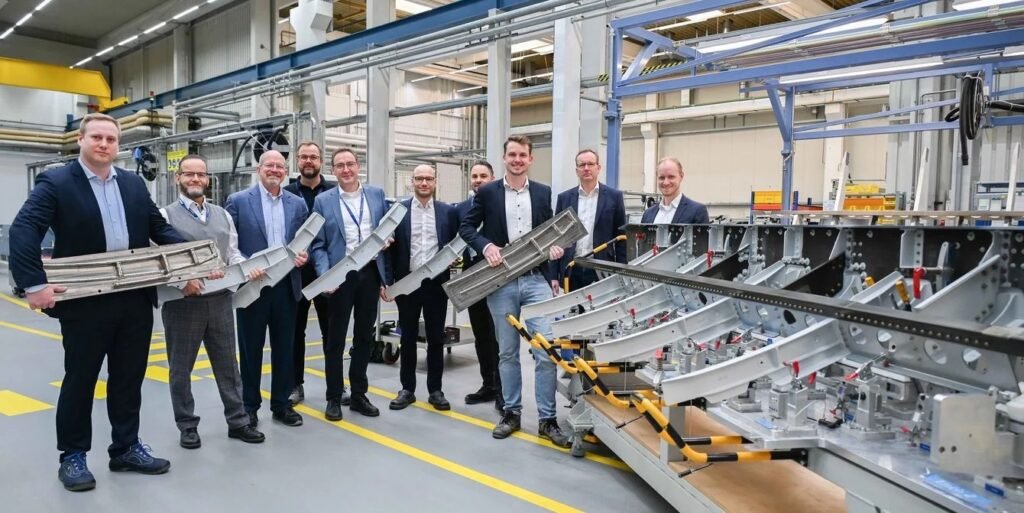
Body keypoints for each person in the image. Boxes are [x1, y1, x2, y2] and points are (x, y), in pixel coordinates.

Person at [9, 113, 185, 491]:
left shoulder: (133, 183)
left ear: (118, 145)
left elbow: (159, 229)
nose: (104, 144)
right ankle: (73, 455)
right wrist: (34, 284)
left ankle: (125, 448)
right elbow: (24, 228)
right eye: (97, 138)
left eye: (111, 139)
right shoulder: (57, 182)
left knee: (128, 378)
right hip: (86, 300)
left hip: (134, 298)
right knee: (81, 379)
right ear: (81, 140)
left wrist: (196, 258)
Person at [458, 135, 572, 448]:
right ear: (504, 158)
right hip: (502, 282)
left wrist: (555, 250)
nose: (517, 160)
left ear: (530, 159)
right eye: (512, 155)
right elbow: (466, 228)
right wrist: (486, 246)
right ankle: (511, 413)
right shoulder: (488, 192)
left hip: (536, 280)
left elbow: (550, 233)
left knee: (545, 351)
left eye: (523, 155)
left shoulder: (543, 192)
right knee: (506, 352)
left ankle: (547, 420)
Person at [159, 154, 266, 449]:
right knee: (181, 368)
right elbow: (161, 260)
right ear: (178, 178)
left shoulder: (222, 214)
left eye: (201, 174)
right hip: (183, 302)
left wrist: (247, 268)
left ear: (208, 179)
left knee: (228, 365)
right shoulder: (165, 216)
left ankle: (238, 421)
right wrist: (182, 282)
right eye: (189, 174)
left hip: (220, 299)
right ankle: (187, 426)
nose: (195, 179)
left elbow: (232, 253)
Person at [224, 150, 309, 428]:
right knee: (251, 350)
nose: (274, 170)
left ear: (285, 171)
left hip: (286, 286)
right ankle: (249, 406)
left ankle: (281, 404)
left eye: (280, 166)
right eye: (269, 165)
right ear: (258, 169)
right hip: (253, 286)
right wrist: (246, 266)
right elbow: (228, 245)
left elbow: (303, 241)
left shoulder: (297, 204)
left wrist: (303, 256)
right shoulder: (238, 201)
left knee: (285, 348)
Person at [309, 148, 391, 421]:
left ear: (358, 166)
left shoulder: (376, 195)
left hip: (370, 274)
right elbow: (318, 244)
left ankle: (358, 394)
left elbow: (386, 232)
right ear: (333, 170)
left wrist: (386, 268)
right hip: (340, 276)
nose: (346, 170)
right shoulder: (323, 201)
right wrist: (326, 276)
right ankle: (334, 396)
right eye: (340, 165)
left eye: (350, 164)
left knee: (364, 338)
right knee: (335, 340)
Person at [384, 165, 459, 412]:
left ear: (435, 182)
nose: (424, 183)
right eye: (419, 179)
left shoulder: (448, 212)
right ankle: (407, 389)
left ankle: (435, 390)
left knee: (436, 337)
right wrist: (388, 281)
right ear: (412, 182)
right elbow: (388, 249)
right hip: (407, 283)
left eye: (428, 178)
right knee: (407, 337)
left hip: (436, 284)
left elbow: (456, 243)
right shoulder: (399, 211)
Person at [283, 141, 335, 406]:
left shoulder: (335, 192)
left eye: (313, 157)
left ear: (321, 161)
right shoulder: (286, 194)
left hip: (327, 271)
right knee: (295, 331)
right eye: (303, 157)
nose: (308, 161)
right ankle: (295, 384)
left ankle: (336, 385)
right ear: (297, 161)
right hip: (297, 272)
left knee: (332, 331)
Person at [456, 161, 502, 410]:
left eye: (483, 175)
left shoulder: (501, 203)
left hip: (498, 275)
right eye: (474, 176)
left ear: (492, 178)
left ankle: (504, 389)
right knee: (481, 334)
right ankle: (488, 384)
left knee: (501, 336)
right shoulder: (461, 209)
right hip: (472, 276)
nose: (478, 180)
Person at [553, 149, 627, 292]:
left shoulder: (614, 197)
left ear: (598, 168)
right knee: (573, 306)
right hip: (571, 269)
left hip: (601, 268)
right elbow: (557, 238)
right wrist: (553, 275)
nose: (586, 168)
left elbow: (621, 238)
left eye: (590, 164)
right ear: (577, 170)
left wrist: (621, 273)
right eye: (582, 165)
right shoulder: (564, 198)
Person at [640, 157, 709, 224]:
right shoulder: (647, 214)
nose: (666, 182)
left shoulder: (697, 211)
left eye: (671, 177)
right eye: (662, 178)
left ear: (681, 176)